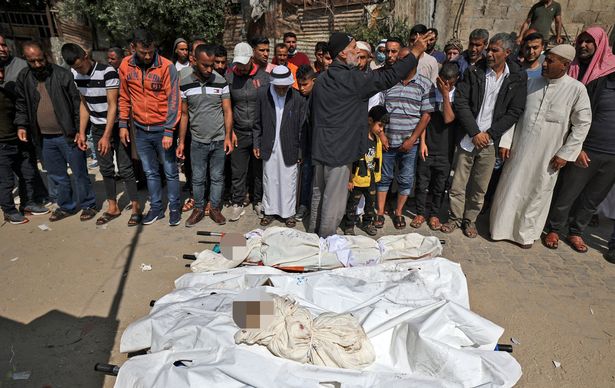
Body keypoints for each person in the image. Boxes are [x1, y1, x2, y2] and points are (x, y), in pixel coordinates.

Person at [308, 31, 431, 237]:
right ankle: (325, 244)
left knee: (318, 194)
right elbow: (389, 76)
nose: (357, 52)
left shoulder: (322, 78)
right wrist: (416, 51)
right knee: (333, 201)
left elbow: (311, 116)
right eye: (354, 48)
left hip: (321, 148)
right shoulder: (351, 79)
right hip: (339, 152)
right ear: (341, 54)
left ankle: (313, 235)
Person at [489, 45, 591, 249]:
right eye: (546, 59)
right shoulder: (531, 83)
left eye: (551, 61)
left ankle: (525, 235)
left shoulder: (576, 89)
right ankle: (500, 229)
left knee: (538, 192)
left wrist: (566, 153)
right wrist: (507, 141)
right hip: (520, 147)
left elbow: (582, 124)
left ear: (565, 64)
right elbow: (515, 113)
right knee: (511, 187)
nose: (544, 64)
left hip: (550, 154)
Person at [440, 33, 527, 238]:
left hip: (489, 142)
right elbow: (461, 103)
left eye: (494, 50)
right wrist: (475, 132)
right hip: (468, 139)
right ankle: (454, 218)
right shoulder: (473, 72)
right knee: (458, 184)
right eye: (489, 50)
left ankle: (469, 220)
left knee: (479, 187)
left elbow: (515, 111)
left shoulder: (516, 77)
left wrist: (489, 135)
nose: (489, 54)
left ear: (507, 52)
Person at [15, 40, 97, 222]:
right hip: (44, 139)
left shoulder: (62, 75)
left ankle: (88, 205)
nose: (37, 64)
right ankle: (66, 206)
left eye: (40, 60)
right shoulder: (24, 77)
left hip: (68, 136)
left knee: (79, 173)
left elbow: (78, 105)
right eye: (32, 61)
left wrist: (79, 130)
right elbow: (21, 104)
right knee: (57, 175)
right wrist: (21, 125)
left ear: (46, 56)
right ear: (26, 60)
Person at [61, 43, 142, 226]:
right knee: (105, 169)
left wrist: (107, 136)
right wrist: (82, 132)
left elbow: (113, 105)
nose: (79, 70)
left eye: (80, 65)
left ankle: (136, 207)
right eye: (75, 67)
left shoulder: (107, 72)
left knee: (126, 168)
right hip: (97, 128)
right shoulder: (75, 75)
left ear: (86, 55)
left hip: (116, 126)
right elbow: (84, 104)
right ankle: (113, 207)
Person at [118, 29, 181, 226]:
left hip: (163, 129)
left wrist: (170, 130)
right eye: (142, 52)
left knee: (170, 171)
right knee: (150, 172)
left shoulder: (166, 67)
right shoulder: (125, 65)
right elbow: (124, 96)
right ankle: (156, 209)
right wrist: (122, 125)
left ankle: (174, 208)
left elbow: (174, 100)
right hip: (140, 130)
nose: (147, 56)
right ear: (133, 48)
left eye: (150, 51)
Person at [543, 69, 611, 252]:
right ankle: (554, 228)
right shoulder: (599, 85)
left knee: (592, 199)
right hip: (587, 151)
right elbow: (578, 117)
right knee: (568, 192)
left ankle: (576, 232)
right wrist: (578, 147)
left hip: (612, 159)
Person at [376, 53, 435, 230]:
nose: (400, 63)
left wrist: (413, 139)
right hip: (388, 140)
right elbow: (379, 110)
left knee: (406, 179)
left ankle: (399, 212)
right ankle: (379, 212)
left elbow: (426, 116)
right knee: (384, 177)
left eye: (405, 60)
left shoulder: (425, 84)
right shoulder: (389, 81)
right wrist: (382, 135)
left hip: (410, 144)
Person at [177, 44, 234, 227]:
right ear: (195, 61)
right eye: (205, 65)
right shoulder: (185, 82)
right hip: (197, 141)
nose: (210, 69)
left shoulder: (220, 81)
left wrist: (227, 136)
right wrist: (181, 142)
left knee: (217, 177)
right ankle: (199, 209)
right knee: (198, 178)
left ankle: (215, 208)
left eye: (212, 65)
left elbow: (227, 111)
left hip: (218, 140)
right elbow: (184, 114)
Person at [0, 34, 49, 224]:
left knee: (27, 172)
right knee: (5, 181)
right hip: (2, 142)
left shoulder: (17, 72)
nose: (2, 48)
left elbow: (22, 104)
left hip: (20, 136)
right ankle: (9, 211)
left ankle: (28, 203)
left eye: (4, 45)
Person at [253, 65, 305, 227]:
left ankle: (288, 213)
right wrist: (257, 143)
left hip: (290, 146)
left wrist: (300, 151)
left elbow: (302, 127)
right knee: (270, 179)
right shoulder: (262, 94)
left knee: (289, 180)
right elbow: (257, 122)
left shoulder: (297, 98)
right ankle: (269, 212)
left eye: (284, 88)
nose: (282, 91)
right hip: (268, 144)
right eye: (279, 88)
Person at [226, 42, 270, 221]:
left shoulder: (264, 77)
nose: (241, 68)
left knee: (258, 170)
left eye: (244, 64)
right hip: (239, 132)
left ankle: (258, 201)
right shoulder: (230, 78)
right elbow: (227, 107)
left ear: (252, 59)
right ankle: (237, 202)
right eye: (238, 64)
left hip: (258, 133)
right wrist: (230, 132)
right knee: (238, 170)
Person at [412, 63, 460, 230]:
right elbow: (424, 120)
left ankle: (434, 214)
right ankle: (419, 213)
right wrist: (422, 143)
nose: (446, 85)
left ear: (456, 80)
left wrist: (446, 95)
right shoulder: (430, 92)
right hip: (428, 146)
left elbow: (448, 119)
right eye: (443, 81)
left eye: (450, 82)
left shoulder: (457, 96)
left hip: (445, 150)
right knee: (422, 183)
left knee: (439, 185)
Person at [342, 105, 387, 236]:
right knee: (352, 204)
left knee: (370, 204)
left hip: (372, 179)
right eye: (379, 125)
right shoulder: (359, 139)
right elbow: (351, 159)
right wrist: (350, 179)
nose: (381, 129)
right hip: (357, 179)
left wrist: (377, 176)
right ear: (370, 121)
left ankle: (367, 223)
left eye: (383, 126)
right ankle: (349, 225)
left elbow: (378, 159)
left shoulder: (377, 140)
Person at [295, 64, 316, 221]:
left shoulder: (321, 97)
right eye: (299, 84)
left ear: (313, 81)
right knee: (306, 175)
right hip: (306, 145)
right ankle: (303, 205)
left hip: (320, 145)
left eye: (305, 84)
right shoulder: (298, 99)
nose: (301, 88)